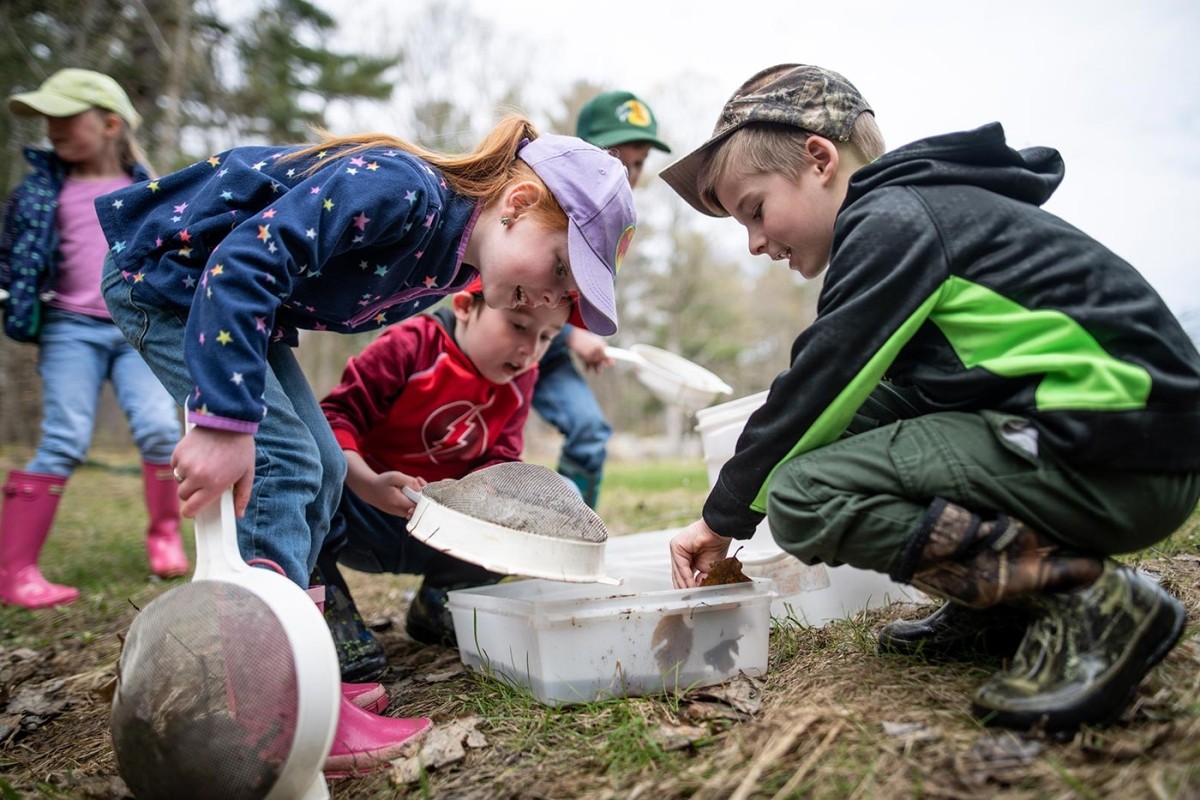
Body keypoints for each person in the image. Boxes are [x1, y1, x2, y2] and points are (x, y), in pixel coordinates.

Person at [661, 63, 1200, 734]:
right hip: (1117, 442)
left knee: (804, 494)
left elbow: (820, 384)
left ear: (820, 160)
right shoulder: (921, 211)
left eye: (756, 210)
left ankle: (1089, 602)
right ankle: (998, 607)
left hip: (1120, 456)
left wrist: (719, 520)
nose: (754, 244)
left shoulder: (894, 221)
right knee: (854, 422)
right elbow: (859, 397)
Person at [96, 117, 635, 775]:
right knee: (284, 463)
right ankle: (274, 708)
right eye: (560, 267)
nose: (554, 297)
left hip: (237, 305)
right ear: (518, 204)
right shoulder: (402, 190)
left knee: (323, 463)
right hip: (175, 280)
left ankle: (308, 669)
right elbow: (243, 261)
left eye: (569, 293)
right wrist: (221, 421)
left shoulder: (450, 260)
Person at [313, 276, 574, 677]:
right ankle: (334, 618)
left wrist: (481, 494)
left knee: (516, 510)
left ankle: (440, 603)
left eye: (546, 337)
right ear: (465, 307)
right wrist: (367, 483)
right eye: (519, 325)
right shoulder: (411, 344)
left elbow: (501, 457)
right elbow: (335, 417)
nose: (530, 349)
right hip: (362, 515)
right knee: (301, 487)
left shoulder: (522, 378)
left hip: (440, 527)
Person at [0, 68, 188, 610]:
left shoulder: (150, 193)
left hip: (138, 328)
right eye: (46, 119)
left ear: (110, 124)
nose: (52, 128)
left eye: (65, 117)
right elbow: (12, 254)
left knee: (159, 429)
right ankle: (14, 571)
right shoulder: (39, 192)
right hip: (68, 329)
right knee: (64, 436)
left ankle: (165, 536)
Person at [534, 90, 671, 508]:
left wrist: (582, 333)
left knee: (591, 432)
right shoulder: (547, 206)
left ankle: (569, 524)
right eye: (615, 158)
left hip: (549, 356)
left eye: (638, 163)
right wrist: (572, 336)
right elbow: (500, 295)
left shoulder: (617, 225)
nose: (627, 174)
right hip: (501, 343)